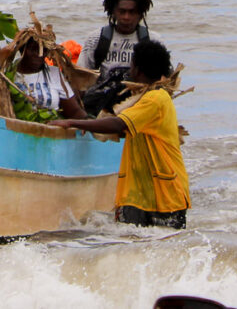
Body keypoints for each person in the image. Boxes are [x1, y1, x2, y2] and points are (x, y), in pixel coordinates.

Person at [53, 39, 189, 229]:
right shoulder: (149, 96)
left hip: (163, 197)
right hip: (141, 195)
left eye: (132, 63)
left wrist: (73, 122)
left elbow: (119, 124)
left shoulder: (155, 99)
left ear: (138, 69)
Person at [80, 0, 157, 115]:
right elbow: (81, 79)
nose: (126, 17)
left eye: (132, 12)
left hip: (140, 107)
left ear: (140, 14)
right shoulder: (96, 39)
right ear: (113, 12)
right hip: (102, 106)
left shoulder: (152, 40)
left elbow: (164, 81)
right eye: (122, 12)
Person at [11, 34, 88, 119]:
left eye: (43, 50)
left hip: (50, 125)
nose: (39, 54)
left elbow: (73, 111)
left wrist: (84, 122)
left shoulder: (54, 73)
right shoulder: (9, 74)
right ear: (22, 50)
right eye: (33, 49)